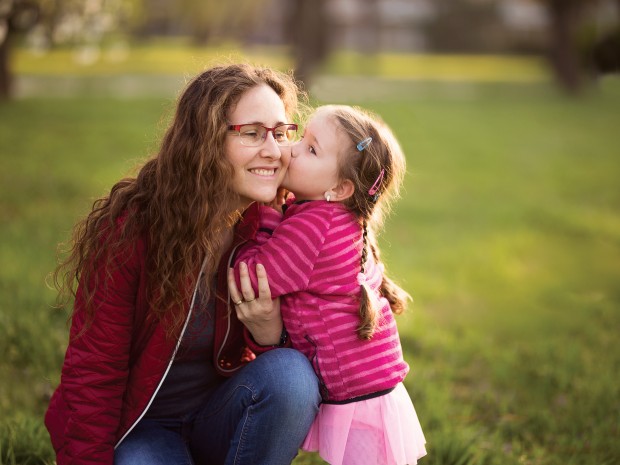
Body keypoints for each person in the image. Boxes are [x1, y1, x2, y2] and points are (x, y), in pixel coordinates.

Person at [44, 63, 321, 465]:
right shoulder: (133, 230)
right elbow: (94, 372)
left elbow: (319, 348)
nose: (274, 150)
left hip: (220, 415)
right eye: (252, 133)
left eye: (281, 133)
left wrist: (269, 335)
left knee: (292, 377)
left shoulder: (281, 227)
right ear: (206, 139)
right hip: (144, 427)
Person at [230, 104, 427, 465]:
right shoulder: (338, 218)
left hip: (357, 396)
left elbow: (254, 276)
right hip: (373, 389)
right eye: (302, 137)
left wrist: (266, 217)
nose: (291, 150)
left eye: (310, 149)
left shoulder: (313, 228)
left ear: (339, 188)